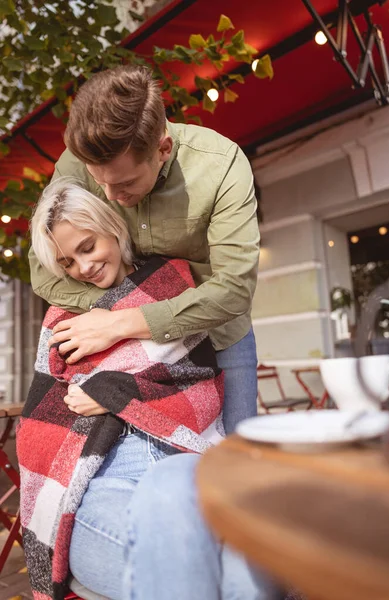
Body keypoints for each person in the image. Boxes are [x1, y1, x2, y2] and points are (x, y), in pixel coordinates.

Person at [18, 180, 282, 600]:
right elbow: (40, 422)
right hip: (99, 480)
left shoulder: (171, 286)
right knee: (231, 567)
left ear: (112, 228)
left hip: (183, 459)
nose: (83, 268)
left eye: (88, 247)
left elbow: (199, 382)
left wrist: (111, 390)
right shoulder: (61, 318)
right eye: (67, 262)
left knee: (242, 563)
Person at [28, 64, 260, 434]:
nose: (110, 196)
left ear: (162, 148)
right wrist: (115, 321)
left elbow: (234, 290)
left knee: (238, 466)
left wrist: (119, 320)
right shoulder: (76, 163)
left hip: (220, 340)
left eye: (124, 183)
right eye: (98, 181)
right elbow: (42, 269)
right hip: (129, 356)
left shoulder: (222, 166)